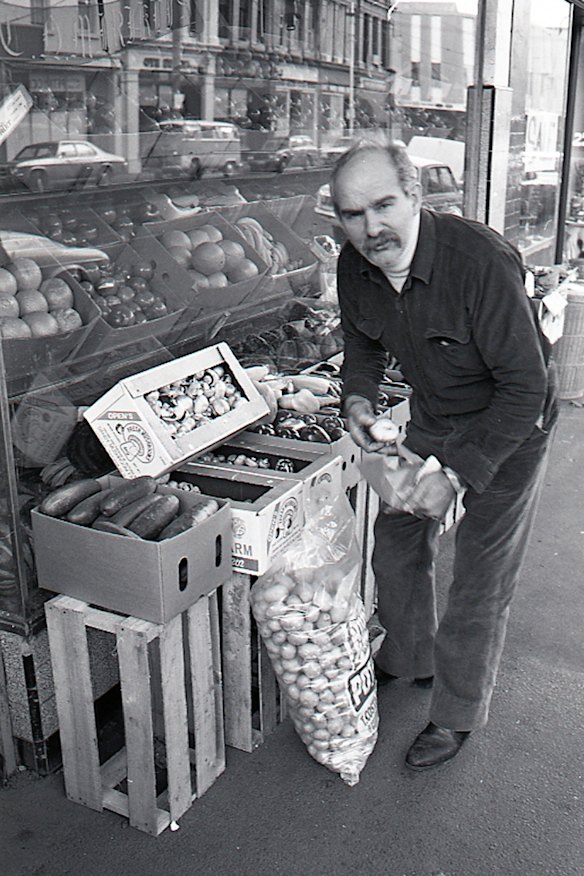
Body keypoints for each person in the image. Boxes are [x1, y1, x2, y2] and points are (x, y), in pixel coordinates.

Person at [331, 137, 558, 771]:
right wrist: (358, 400)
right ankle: (410, 657)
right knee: (397, 539)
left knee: (479, 579)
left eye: (384, 205)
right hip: (434, 416)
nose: (372, 228)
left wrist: (457, 475)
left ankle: (455, 714)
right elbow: (363, 346)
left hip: (511, 425)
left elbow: (526, 385)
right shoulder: (354, 265)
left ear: (415, 196)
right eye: (354, 214)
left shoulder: (477, 261)